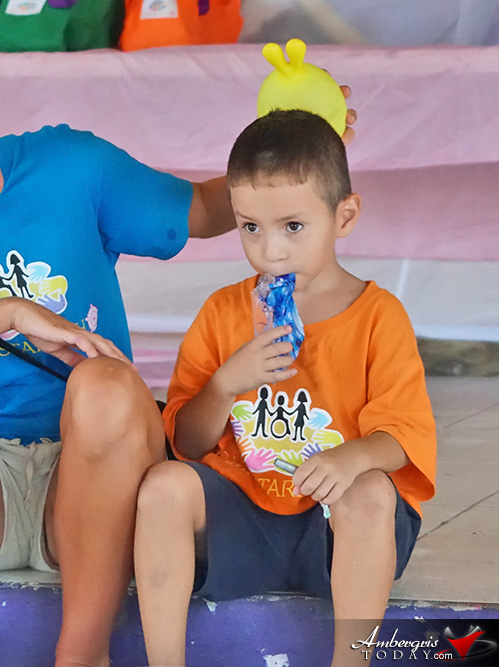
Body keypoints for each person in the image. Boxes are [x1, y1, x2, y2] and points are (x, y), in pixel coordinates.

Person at [0, 49, 356, 667]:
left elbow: (207, 210)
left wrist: (308, 151)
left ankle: (84, 655)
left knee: (106, 382)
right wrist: (5, 314)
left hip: (95, 472)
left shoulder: (67, 163)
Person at [134, 110, 436, 667]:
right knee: (163, 487)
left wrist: (353, 458)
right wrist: (226, 384)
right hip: (245, 515)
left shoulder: (378, 316)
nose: (270, 251)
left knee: (370, 491)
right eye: (251, 227)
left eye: (293, 227)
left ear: (344, 216)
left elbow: (404, 434)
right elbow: (188, 443)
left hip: (335, 529)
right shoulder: (223, 313)